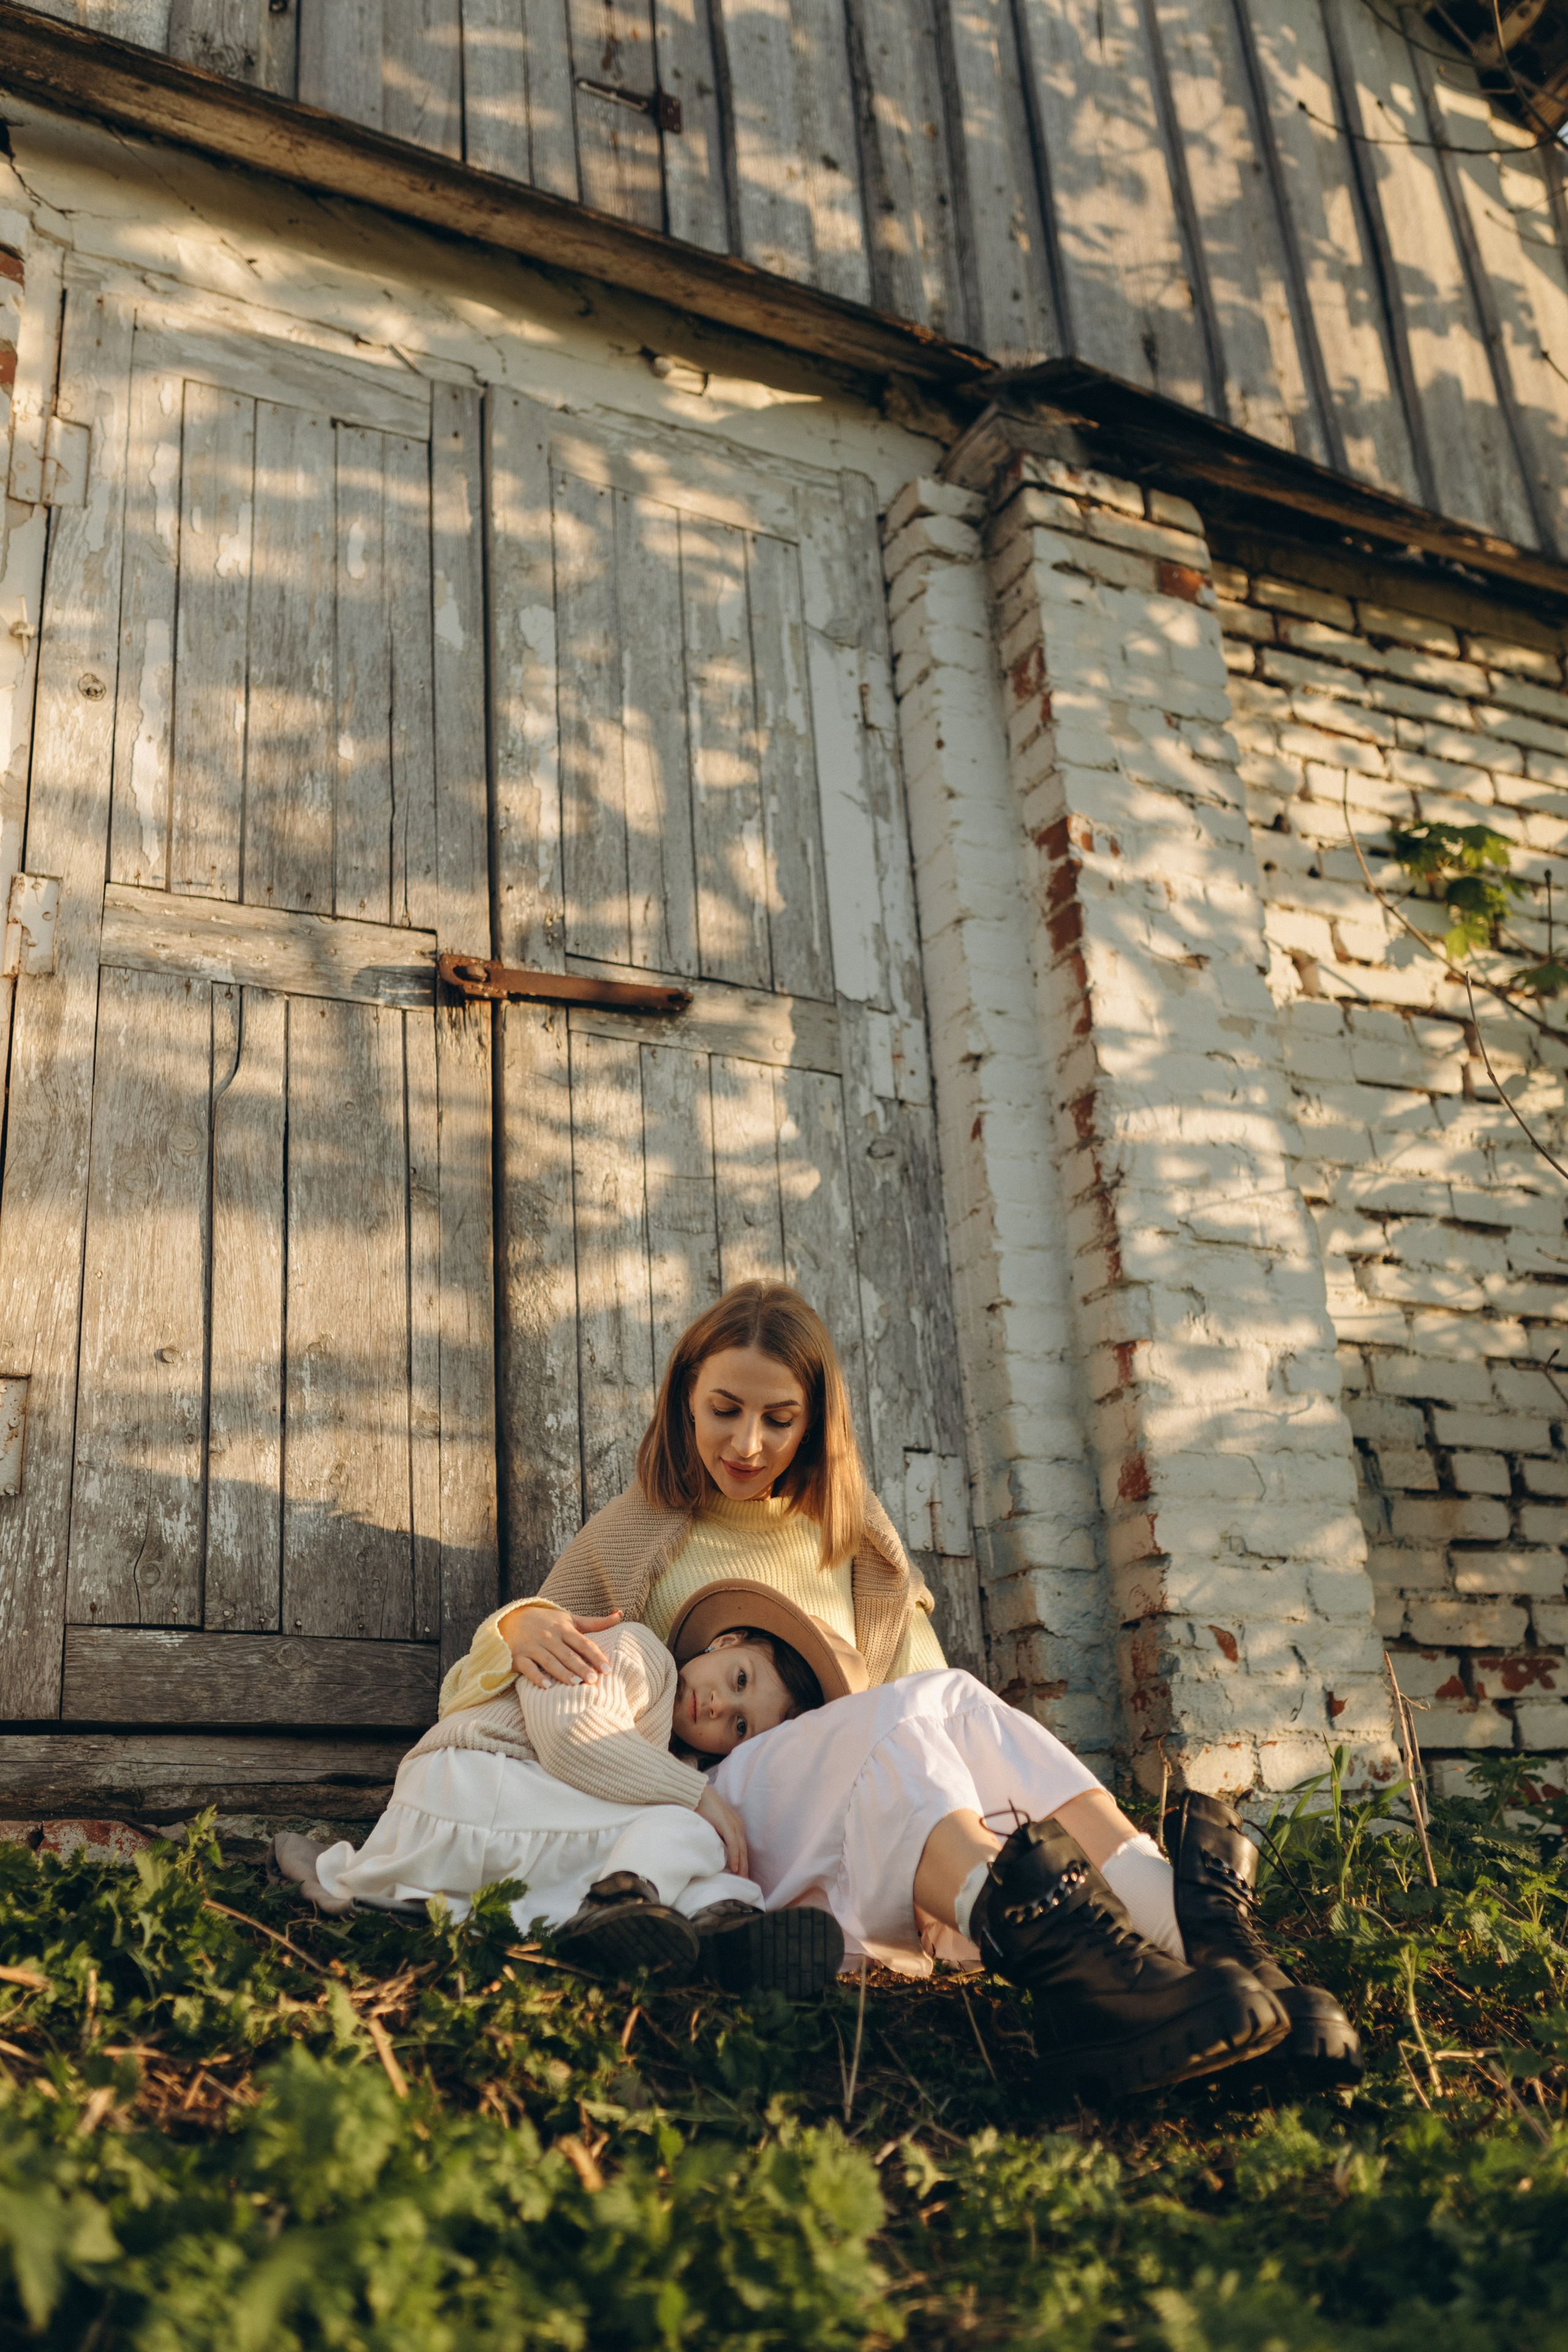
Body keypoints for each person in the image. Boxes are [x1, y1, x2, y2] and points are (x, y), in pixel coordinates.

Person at [440, 1279, 1361, 2098]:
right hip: (719, 1811)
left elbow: (930, 1705)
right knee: (919, 1711)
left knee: (944, 1698)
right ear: (685, 1396)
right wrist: (518, 1624)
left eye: (778, 1418)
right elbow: (514, 1686)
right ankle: (1152, 1946)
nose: (748, 1443)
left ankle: (1199, 1949)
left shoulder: (852, 1535)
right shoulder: (635, 1531)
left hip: (867, 1807)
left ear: (815, 1422)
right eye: (723, 1408)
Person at [271, 1588, 858, 1997]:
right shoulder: (635, 1651)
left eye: (739, 1725)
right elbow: (573, 1738)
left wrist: (688, 1792)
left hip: (504, 1838)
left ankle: (723, 1933)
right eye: (739, 1679)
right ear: (725, 1641)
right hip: (472, 1787)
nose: (720, 1706)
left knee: (671, 1835)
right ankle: (658, 1908)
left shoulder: (671, 1766)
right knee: (686, 1828)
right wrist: (696, 1799)